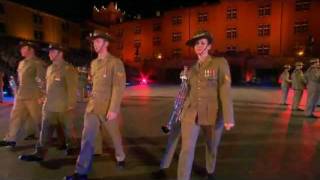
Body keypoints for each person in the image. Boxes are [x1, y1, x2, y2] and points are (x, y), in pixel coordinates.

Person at [64, 30, 126, 180]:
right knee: (86, 138)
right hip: (92, 107)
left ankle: (120, 156)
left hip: (107, 107)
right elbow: (93, 83)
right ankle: (81, 171)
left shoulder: (115, 62)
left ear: (106, 43)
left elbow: (119, 87)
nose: (94, 44)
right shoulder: (93, 63)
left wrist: (113, 109)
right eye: (94, 42)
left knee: (115, 136)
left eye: (98, 41)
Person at [177, 30, 234, 180]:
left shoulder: (219, 63)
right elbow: (186, 92)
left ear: (209, 46)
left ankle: (210, 170)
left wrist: (228, 116)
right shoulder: (190, 69)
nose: (198, 46)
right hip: (191, 114)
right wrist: (180, 111)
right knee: (186, 150)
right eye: (196, 43)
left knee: (211, 147)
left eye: (202, 43)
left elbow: (224, 88)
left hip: (213, 114)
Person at [19, 43, 79, 161]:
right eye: (49, 52)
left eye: (53, 52)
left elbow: (72, 88)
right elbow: (48, 87)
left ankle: (73, 147)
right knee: (45, 131)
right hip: (49, 107)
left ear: (60, 53)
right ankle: (39, 153)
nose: (50, 54)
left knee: (69, 130)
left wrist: (71, 105)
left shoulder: (68, 69)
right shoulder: (50, 68)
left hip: (63, 107)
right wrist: (43, 96)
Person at [0, 41, 46, 148]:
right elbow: (20, 80)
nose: (20, 50)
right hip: (21, 96)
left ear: (31, 49)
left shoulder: (38, 63)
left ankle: (45, 138)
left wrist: (43, 96)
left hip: (34, 96)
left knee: (39, 119)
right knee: (15, 117)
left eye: (23, 48)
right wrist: (16, 90)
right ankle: (10, 139)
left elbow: (42, 81)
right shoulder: (22, 63)